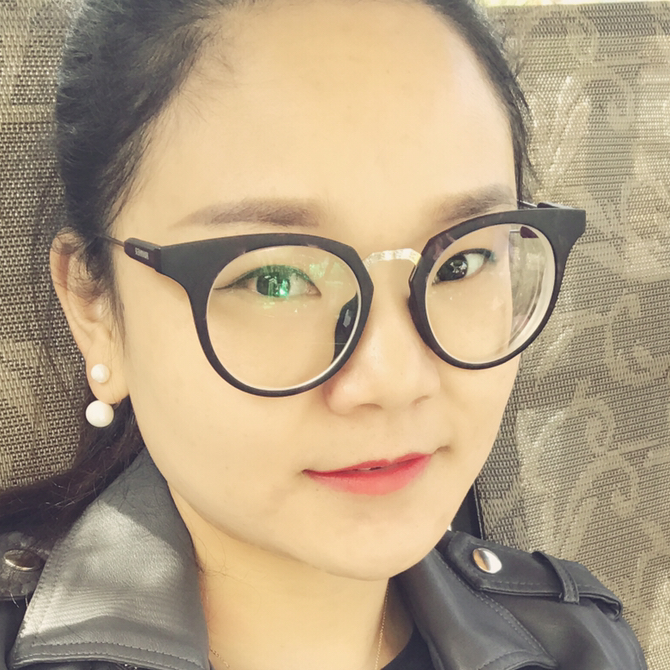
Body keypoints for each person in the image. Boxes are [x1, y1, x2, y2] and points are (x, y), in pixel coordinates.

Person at [0, 0, 647, 668]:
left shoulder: (581, 646)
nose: (394, 379)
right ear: (95, 308)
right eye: (275, 279)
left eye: (461, 262)